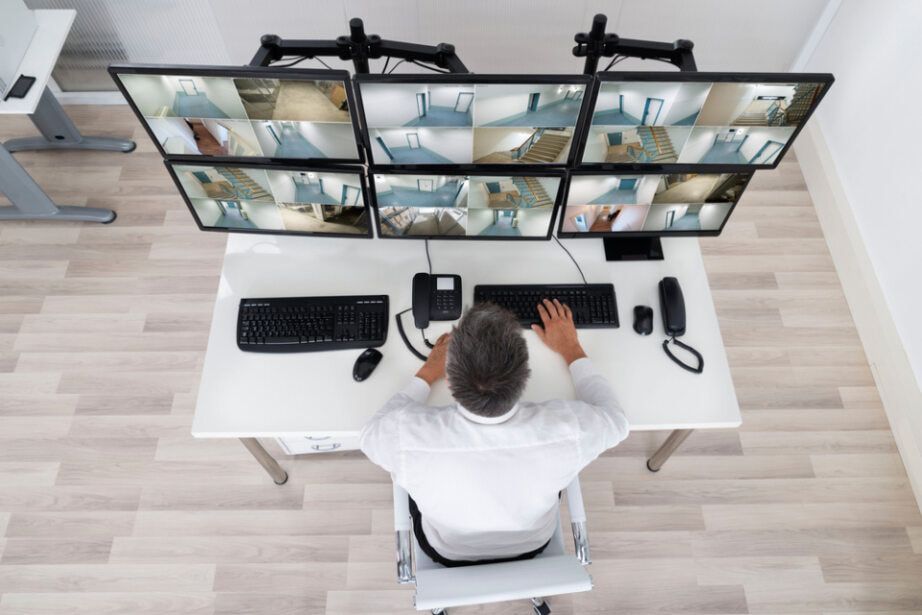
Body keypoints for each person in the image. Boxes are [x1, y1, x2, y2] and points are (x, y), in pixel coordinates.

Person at [360, 299, 629, 566]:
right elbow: (616, 419)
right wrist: (572, 348)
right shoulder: (568, 430)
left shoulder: (406, 438)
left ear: (450, 380)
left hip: (449, 549)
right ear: (526, 374)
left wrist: (428, 372)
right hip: (531, 543)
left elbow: (371, 433)